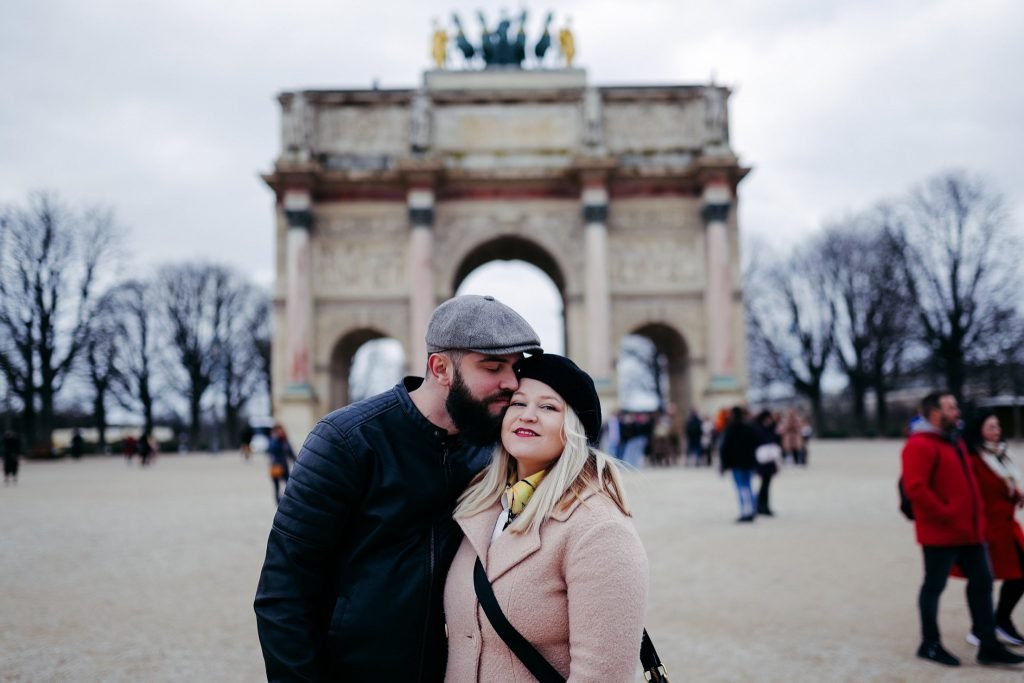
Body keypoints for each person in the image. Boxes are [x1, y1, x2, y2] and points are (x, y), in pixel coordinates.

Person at [254, 295, 542, 681]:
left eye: (514, 367)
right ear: (440, 368)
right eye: (492, 367)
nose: (511, 382)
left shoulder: (497, 449)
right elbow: (283, 593)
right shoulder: (345, 441)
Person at [444, 354, 648, 681]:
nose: (528, 416)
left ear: (574, 429)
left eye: (548, 407)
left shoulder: (600, 529)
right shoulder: (478, 505)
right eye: (518, 403)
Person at [901, 391, 1024, 667]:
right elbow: (916, 489)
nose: (957, 412)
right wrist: (946, 514)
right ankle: (929, 643)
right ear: (935, 412)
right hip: (942, 532)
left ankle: (988, 644)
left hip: (969, 530)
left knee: (982, 584)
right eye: (951, 407)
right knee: (934, 586)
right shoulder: (920, 445)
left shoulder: (953, 442)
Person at [963, 411, 1024, 646]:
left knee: (1017, 574)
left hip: (1006, 526)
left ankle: (999, 620)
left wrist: (1014, 494)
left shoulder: (999, 455)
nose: (997, 431)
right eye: (991, 427)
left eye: (998, 426)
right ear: (978, 430)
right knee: (982, 579)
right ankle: (983, 627)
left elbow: (1002, 484)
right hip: (987, 528)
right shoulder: (973, 458)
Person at [752, 409, 782, 517]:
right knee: (764, 485)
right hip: (764, 460)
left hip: (767, 460)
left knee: (765, 485)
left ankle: (763, 506)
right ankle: (762, 506)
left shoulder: (765, 428)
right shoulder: (760, 429)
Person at [266, 425, 295, 505]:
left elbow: (291, 453)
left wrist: (296, 462)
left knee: (288, 484)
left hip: (284, 466)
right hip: (275, 466)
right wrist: (275, 438)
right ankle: (278, 502)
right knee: (276, 486)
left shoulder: (285, 441)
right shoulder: (272, 440)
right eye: (278, 431)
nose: (280, 432)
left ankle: (288, 499)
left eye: (281, 430)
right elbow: (270, 449)